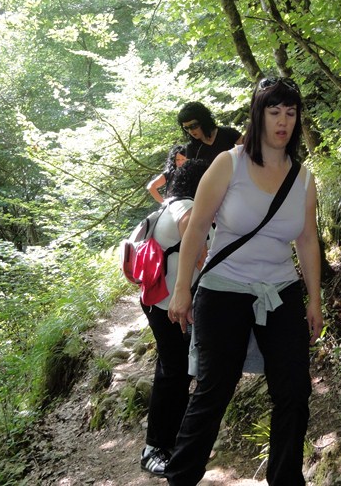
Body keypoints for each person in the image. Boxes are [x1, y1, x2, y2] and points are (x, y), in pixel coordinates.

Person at [164, 77, 323, 486]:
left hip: (280, 292)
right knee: (214, 391)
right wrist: (181, 290)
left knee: (294, 391)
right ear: (258, 115)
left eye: (290, 113)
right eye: (274, 112)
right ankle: (181, 478)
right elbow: (197, 226)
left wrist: (314, 299)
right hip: (223, 289)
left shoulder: (304, 179)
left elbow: (307, 239)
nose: (283, 122)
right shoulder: (228, 163)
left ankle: (285, 479)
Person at [139, 159, 210, 477]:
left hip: (160, 303)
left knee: (177, 371)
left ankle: (171, 441)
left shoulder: (171, 204)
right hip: (170, 305)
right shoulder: (187, 207)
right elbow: (202, 258)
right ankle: (153, 448)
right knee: (173, 372)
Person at [177, 101, 243, 164]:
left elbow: (248, 149)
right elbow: (191, 170)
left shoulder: (227, 132)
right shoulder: (191, 148)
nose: (190, 131)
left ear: (203, 121)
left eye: (193, 126)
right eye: (186, 128)